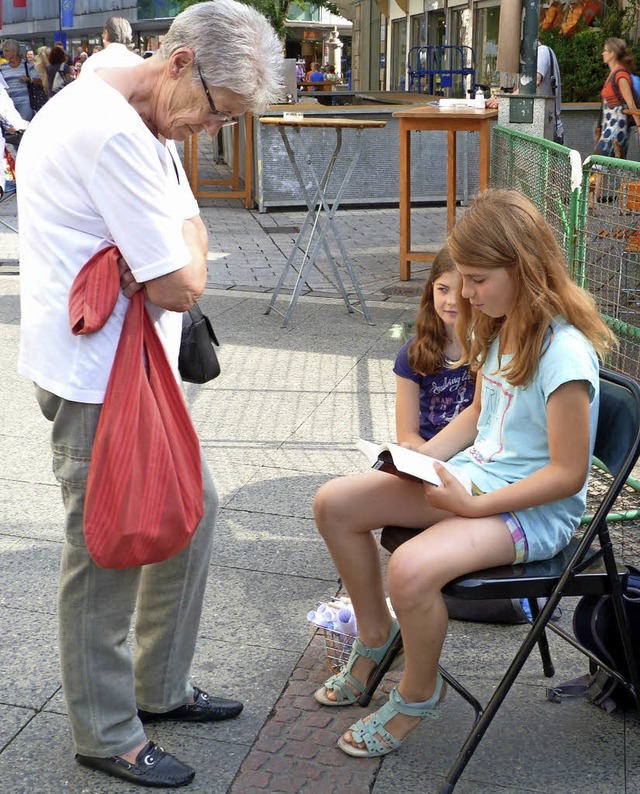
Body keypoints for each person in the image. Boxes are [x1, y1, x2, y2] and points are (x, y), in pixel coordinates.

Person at [16, 0, 284, 788]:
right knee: (107, 548)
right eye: (214, 111)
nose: (210, 132)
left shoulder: (120, 88)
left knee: (192, 513)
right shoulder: (115, 135)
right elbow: (179, 282)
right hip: (99, 377)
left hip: (132, 372)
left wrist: (182, 239)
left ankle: (156, 687)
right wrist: (182, 253)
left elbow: (188, 223)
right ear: (178, 62)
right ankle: (106, 732)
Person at [312, 188, 615, 759]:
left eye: (477, 279)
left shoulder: (565, 356)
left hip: (529, 512)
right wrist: (424, 462)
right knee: (335, 503)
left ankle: (418, 694)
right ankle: (377, 637)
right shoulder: (504, 327)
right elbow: (479, 415)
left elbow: (568, 476)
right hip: (476, 480)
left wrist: (473, 506)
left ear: (522, 267)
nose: (466, 293)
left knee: (411, 567)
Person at [394, 246, 474, 448]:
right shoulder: (412, 354)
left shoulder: (490, 346)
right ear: (431, 290)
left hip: (477, 458)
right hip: (429, 454)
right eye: (443, 289)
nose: (452, 301)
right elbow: (406, 433)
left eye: (461, 290)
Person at [486, 41, 564, 144]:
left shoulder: (542, 51)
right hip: (546, 127)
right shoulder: (543, 53)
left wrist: (504, 101)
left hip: (547, 130)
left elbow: (534, 81)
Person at [0, 39, 41, 121]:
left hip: (25, 103)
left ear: (15, 52)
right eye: (4, 51)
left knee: (24, 126)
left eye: (7, 51)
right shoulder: (2, 67)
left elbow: (39, 81)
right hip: (9, 104)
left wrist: (29, 79)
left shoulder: (27, 65)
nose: (4, 53)